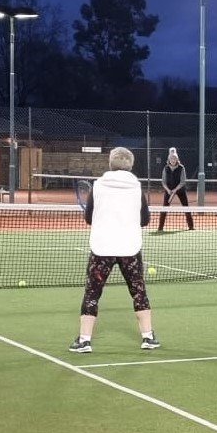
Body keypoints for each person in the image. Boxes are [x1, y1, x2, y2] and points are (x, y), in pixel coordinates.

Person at [69, 146, 157, 353]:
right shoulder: (137, 188)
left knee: (92, 293)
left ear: (110, 163)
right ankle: (148, 337)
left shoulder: (98, 187)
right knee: (138, 291)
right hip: (130, 248)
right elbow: (145, 220)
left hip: (102, 248)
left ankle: (84, 340)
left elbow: (89, 218)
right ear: (131, 165)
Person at [156, 147, 194, 232]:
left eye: (174, 158)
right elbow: (163, 181)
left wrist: (176, 189)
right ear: (169, 159)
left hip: (180, 190)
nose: (173, 160)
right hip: (169, 190)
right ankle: (160, 227)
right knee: (164, 208)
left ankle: (191, 226)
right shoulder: (165, 168)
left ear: (177, 159)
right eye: (171, 158)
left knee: (186, 207)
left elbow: (183, 181)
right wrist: (168, 190)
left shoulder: (181, 168)